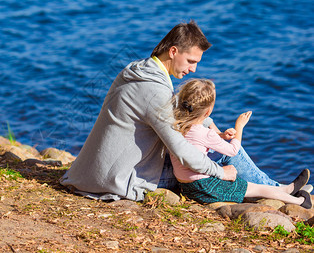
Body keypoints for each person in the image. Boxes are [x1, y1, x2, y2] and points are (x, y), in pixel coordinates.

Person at [60, 20, 312, 201]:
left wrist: (207, 126)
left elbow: (170, 120)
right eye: (191, 61)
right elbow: (182, 151)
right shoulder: (155, 92)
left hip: (94, 170)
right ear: (173, 51)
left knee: (211, 138)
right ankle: (280, 190)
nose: (193, 70)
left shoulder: (137, 70)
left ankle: (280, 188)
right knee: (223, 157)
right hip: (120, 178)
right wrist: (220, 173)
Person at [170, 78, 312, 208]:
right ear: (208, 112)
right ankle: (300, 201)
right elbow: (233, 151)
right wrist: (239, 127)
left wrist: (221, 135)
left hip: (187, 187)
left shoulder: (176, 127)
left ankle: (285, 189)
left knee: (252, 186)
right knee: (258, 188)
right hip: (205, 186)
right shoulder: (206, 133)